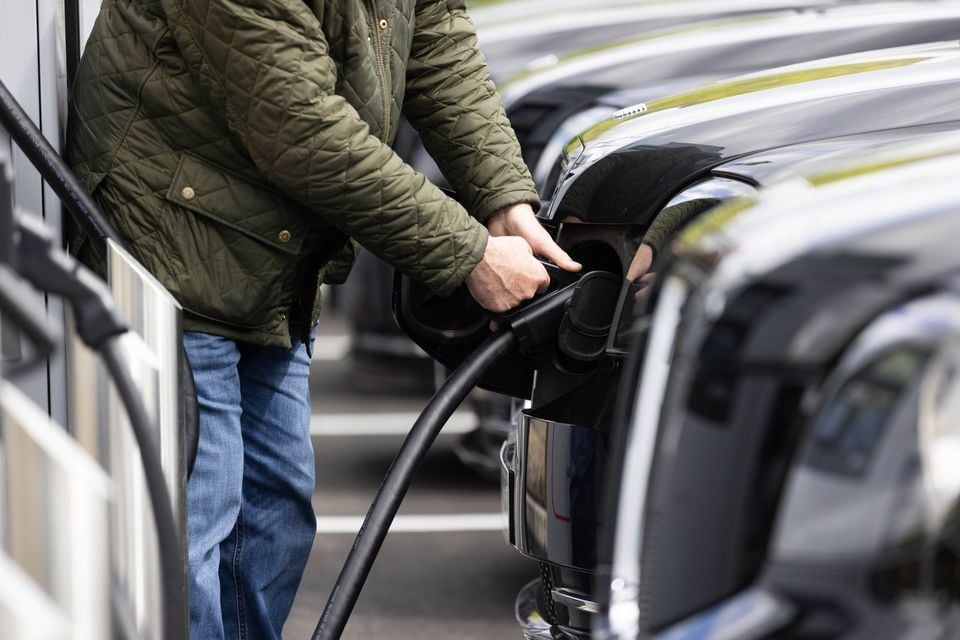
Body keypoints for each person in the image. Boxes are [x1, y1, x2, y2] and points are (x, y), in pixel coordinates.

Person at [66, 0, 580, 638]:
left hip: (274, 259)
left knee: (274, 520)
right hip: (171, 248)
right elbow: (301, 130)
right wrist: (467, 253)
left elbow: (436, 42)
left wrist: (502, 197)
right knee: (197, 521)